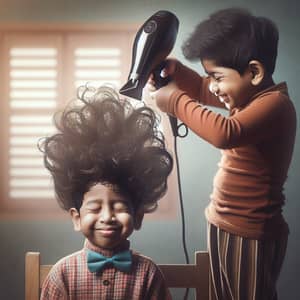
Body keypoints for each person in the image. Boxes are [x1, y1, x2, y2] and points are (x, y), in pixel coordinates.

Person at [149, 7, 297, 300]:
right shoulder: (248, 96)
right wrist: (181, 74)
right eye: (209, 75)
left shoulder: (275, 106)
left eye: (218, 76)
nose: (213, 87)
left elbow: (225, 133)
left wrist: (175, 101)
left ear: (254, 72)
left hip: (250, 230)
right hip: (225, 222)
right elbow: (205, 90)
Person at [39, 85, 173, 300]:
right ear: (76, 217)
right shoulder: (62, 275)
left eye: (119, 207)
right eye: (95, 207)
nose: (108, 217)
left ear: (137, 216)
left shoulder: (149, 274)